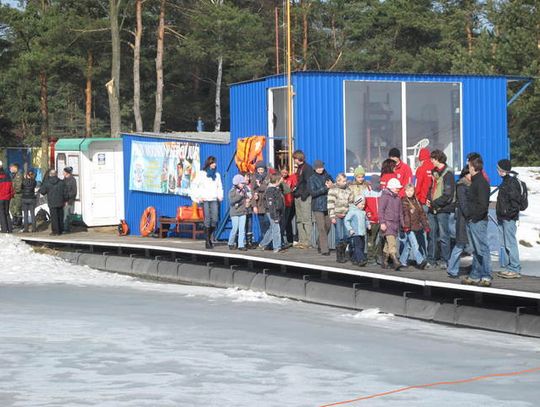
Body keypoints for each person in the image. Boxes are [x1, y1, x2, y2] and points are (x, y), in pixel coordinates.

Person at [462, 156, 492, 287]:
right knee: (475, 249)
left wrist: (474, 218)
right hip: (473, 220)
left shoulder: (481, 182)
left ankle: (486, 275)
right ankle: (475, 275)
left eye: (469, 166)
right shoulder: (475, 181)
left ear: (473, 167)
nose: (468, 168)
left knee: (482, 249)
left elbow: (483, 205)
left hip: (478, 221)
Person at [426, 149, 455, 269]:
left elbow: (448, 195)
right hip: (433, 207)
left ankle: (445, 260)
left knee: (444, 235)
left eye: (432, 159)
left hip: (443, 208)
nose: (431, 161)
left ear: (437, 159)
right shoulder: (434, 172)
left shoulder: (448, 174)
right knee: (432, 234)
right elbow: (431, 188)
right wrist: (428, 198)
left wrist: (434, 203)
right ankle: (431, 259)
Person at [495, 159, 522, 279]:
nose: (497, 171)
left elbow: (515, 203)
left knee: (510, 243)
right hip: (503, 217)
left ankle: (515, 268)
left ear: (503, 170)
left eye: (498, 168)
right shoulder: (506, 181)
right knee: (505, 243)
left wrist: (508, 213)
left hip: (508, 218)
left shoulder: (512, 182)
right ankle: (509, 267)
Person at [190, 156, 223, 249]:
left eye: (215, 163)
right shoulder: (202, 174)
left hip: (213, 199)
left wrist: (220, 195)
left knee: (215, 219)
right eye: (212, 163)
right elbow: (194, 185)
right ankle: (207, 241)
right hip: (204, 199)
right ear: (208, 164)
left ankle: (209, 235)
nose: (214, 164)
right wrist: (197, 197)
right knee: (207, 219)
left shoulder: (217, 175)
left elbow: (219, 186)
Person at [447, 168, 472, 279]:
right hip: (462, 219)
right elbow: (463, 203)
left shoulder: (471, 184)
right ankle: (452, 269)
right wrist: (469, 215)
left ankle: (473, 268)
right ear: (465, 174)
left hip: (466, 218)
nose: (471, 175)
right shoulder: (462, 185)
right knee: (460, 244)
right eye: (469, 174)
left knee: (466, 245)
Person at [400, 184, 429, 269]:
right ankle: (420, 261)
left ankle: (402, 260)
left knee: (409, 245)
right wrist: (406, 226)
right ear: (405, 191)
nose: (409, 192)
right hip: (408, 227)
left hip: (416, 226)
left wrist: (425, 225)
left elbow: (422, 215)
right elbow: (406, 215)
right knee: (415, 244)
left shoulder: (416, 201)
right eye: (408, 191)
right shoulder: (404, 201)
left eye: (411, 190)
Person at [308, 160, 334, 256]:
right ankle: (324, 249)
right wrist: (325, 188)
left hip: (328, 204)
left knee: (328, 226)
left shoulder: (328, 176)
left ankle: (319, 242)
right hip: (317, 206)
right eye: (318, 167)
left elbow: (333, 185)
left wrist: (332, 186)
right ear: (315, 168)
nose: (320, 169)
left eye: (321, 167)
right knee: (321, 227)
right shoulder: (311, 179)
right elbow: (313, 193)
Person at [378, 178, 404, 270]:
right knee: (392, 243)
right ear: (392, 188)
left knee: (388, 244)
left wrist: (402, 224)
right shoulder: (385, 197)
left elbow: (400, 213)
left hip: (395, 224)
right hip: (388, 224)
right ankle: (395, 261)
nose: (399, 189)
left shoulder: (398, 198)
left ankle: (384, 262)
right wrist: (382, 222)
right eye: (397, 188)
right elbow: (381, 210)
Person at [328, 173, 353, 262]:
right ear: (338, 181)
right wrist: (332, 216)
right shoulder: (333, 190)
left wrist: (350, 214)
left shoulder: (348, 190)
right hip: (337, 215)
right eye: (343, 181)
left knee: (347, 234)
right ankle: (339, 256)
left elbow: (350, 203)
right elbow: (330, 204)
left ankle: (343, 251)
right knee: (339, 235)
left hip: (346, 215)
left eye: (345, 181)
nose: (345, 182)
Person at [258, 173, 285, 253]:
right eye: (281, 179)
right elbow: (271, 205)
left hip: (276, 211)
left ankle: (262, 244)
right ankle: (277, 247)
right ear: (277, 181)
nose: (282, 180)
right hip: (272, 212)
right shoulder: (270, 190)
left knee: (271, 228)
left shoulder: (276, 188)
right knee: (276, 229)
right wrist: (275, 216)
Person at [292, 150, 314, 249]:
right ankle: (302, 240)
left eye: (295, 158)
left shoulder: (307, 168)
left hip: (304, 197)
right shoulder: (299, 168)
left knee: (306, 219)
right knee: (299, 219)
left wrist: (305, 194)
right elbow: (299, 182)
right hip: (298, 196)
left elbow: (309, 183)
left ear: (299, 158)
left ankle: (308, 241)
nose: (294, 160)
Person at [39, 169, 66, 236]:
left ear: (50, 174)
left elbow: (42, 192)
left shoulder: (47, 182)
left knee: (54, 217)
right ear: (56, 174)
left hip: (52, 202)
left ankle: (55, 231)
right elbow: (65, 192)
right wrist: (65, 199)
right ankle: (61, 230)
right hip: (60, 201)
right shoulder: (61, 182)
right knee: (60, 216)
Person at [344, 195, 370, 266]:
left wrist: (368, 225)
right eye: (362, 204)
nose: (363, 206)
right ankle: (361, 260)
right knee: (358, 246)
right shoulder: (352, 212)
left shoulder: (363, 212)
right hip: (355, 233)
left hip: (362, 232)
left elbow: (366, 220)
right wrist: (350, 229)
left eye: (364, 204)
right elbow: (346, 220)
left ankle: (354, 258)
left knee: (362, 246)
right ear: (357, 203)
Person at [228, 174, 250, 251]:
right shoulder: (232, 191)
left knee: (242, 229)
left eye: (244, 183)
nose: (243, 185)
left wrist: (247, 200)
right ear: (236, 183)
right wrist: (240, 196)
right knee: (235, 228)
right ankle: (230, 243)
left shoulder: (244, 191)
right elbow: (232, 201)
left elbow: (247, 198)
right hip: (234, 212)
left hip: (243, 211)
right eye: (241, 183)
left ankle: (241, 245)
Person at [252, 161, 270, 241]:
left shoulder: (268, 177)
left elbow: (267, 189)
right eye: (259, 169)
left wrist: (259, 186)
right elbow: (252, 190)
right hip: (258, 204)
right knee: (261, 224)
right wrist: (254, 206)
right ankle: (264, 240)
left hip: (267, 204)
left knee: (268, 223)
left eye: (261, 169)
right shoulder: (254, 177)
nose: (260, 171)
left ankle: (268, 241)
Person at [280, 167, 297, 247]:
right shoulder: (278, 179)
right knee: (282, 222)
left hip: (289, 202)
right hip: (281, 204)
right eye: (283, 172)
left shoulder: (291, 178)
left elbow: (292, 188)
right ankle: (281, 239)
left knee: (287, 221)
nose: (284, 174)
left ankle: (289, 239)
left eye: (286, 172)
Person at [0, 161, 14, 233]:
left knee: (1, 213)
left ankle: (4, 229)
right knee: (7, 213)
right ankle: (10, 228)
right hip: (7, 197)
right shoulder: (8, 176)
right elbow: (11, 187)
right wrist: (11, 195)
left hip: (1, 198)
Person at [63, 166, 77, 233]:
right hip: (64, 200)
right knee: (66, 215)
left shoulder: (72, 180)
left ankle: (66, 229)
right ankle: (66, 228)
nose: (63, 173)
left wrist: (67, 199)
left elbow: (74, 192)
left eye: (64, 172)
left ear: (67, 173)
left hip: (69, 201)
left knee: (67, 215)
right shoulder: (64, 179)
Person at [9, 163, 23, 228]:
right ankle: (14, 220)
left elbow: (19, 186)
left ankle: (19, 222)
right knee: (11, 207)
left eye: (11, 168)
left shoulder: (18, 175)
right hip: (13, 194)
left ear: (15, 168)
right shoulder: (13, 175)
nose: (10, 169)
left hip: (17, 194)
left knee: (18, 208)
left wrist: (13, 191)